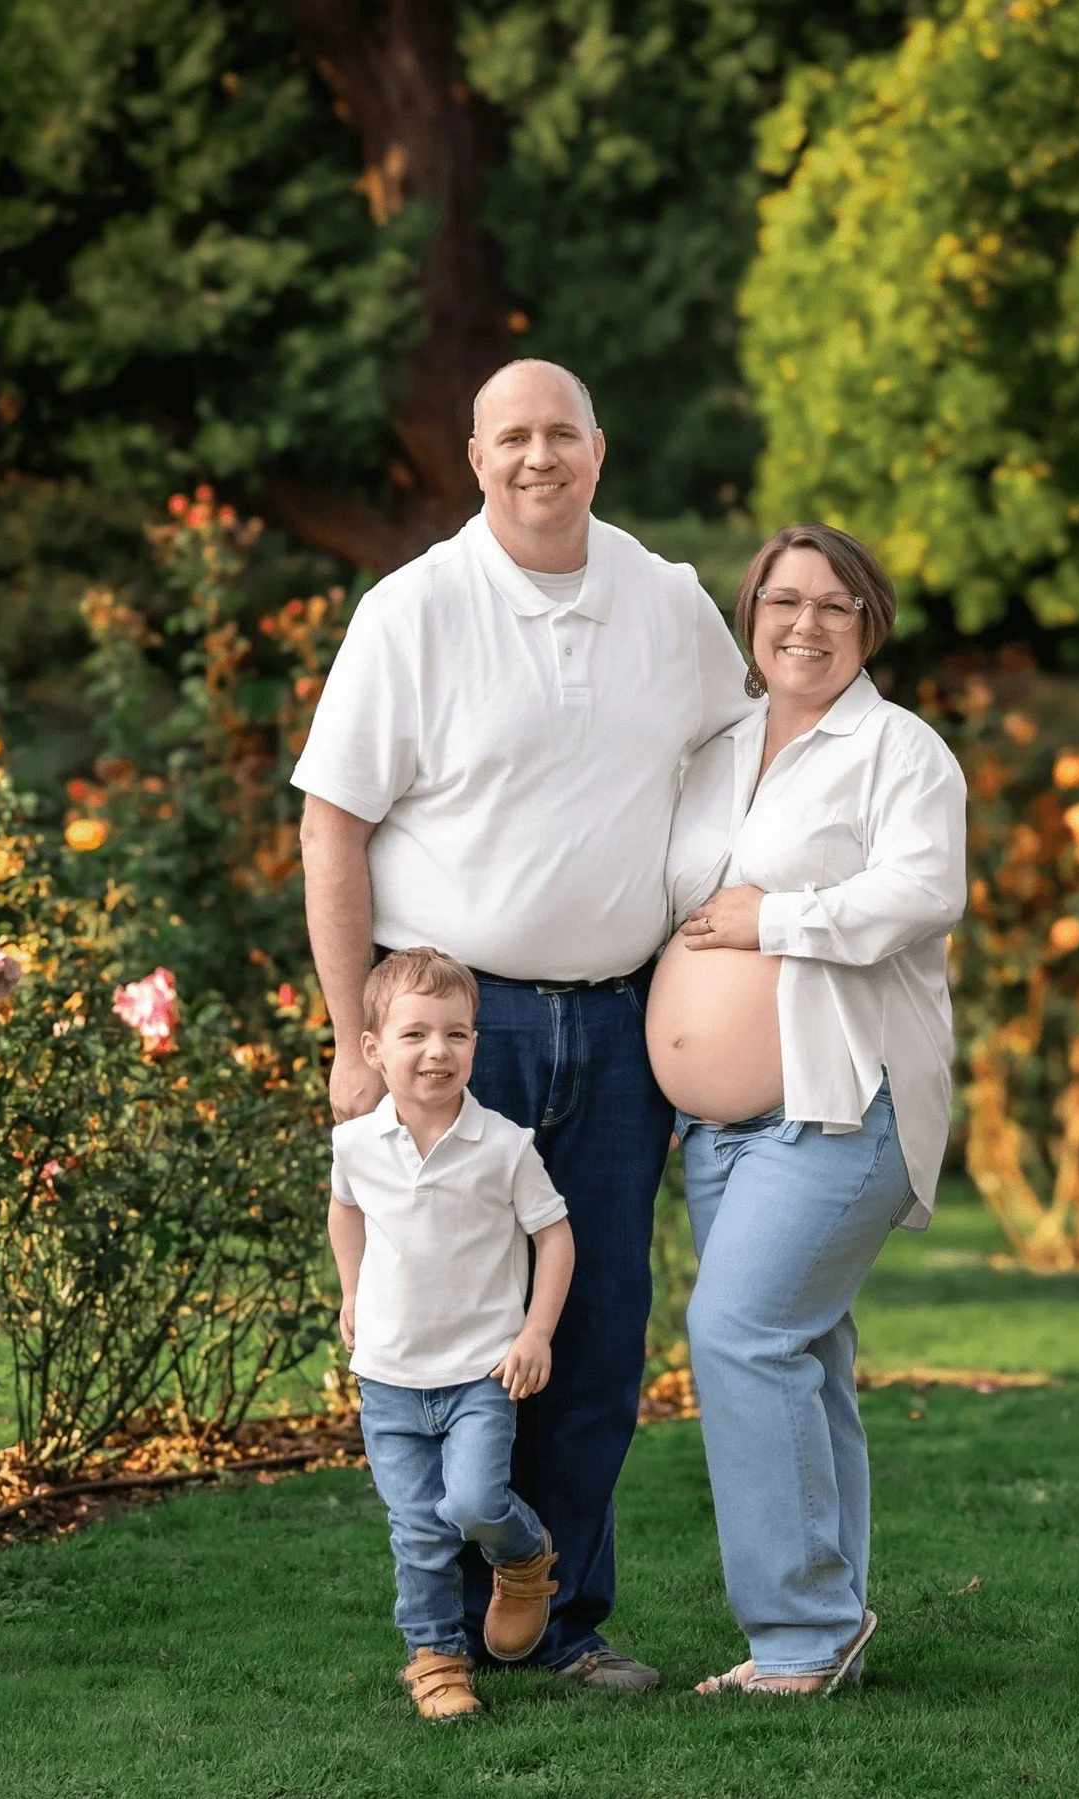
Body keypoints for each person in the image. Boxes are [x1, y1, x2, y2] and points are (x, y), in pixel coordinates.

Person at [294, 358, 751, 1688]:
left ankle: (559, 1619)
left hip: (621, 1031)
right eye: (513, 437)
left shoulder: (668, 602)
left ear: (600, 452)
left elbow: (744, 777)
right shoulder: (414, 612)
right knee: (439, 1327)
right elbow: (332, 826)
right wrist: (349, 1038)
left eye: (562, 434)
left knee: (595, 1330)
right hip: (455, 1030)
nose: (538, 457)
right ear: (475, 455)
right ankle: (444, 1624)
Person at [646, 523, 967, 1696]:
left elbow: (926, 892)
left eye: (835, 604)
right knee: (803, 1351)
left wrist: (773, 918)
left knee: (740, 1332)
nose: (806, 623)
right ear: (752, 616)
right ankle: (826, 1622)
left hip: (844, 1103)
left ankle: (796, 1636)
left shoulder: (901, 749)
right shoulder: (717, 745)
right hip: (722, 1131)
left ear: (868, 621)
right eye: (784, 600)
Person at [329, 947, 575, 1720]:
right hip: (390, 1376)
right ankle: (436, 1660)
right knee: (417, 1530)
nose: (437, 1051)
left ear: (475, 1043)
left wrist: (536, 1331)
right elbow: (346, 1209)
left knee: (471, 1502)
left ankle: (526, 1555)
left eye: (456, 1034)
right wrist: (350, 1291)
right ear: (374, 1048)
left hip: (478, 1373)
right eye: (414, 1035)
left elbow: (556, 1236)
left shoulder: (504, 1144)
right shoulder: (356, 1143)